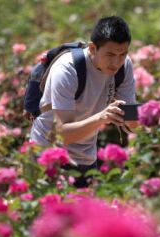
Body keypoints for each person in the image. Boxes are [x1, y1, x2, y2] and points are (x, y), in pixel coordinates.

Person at [29, 16, 139, 187]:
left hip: (86, 160)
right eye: (110, 54)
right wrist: (102, 118)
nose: (116, 62)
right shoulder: (67, 69)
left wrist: (148, 117)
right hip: (48, 155)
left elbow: (132, 122)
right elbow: (62, 133)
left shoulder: (124, 67)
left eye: (122, 54)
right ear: (93, 48)